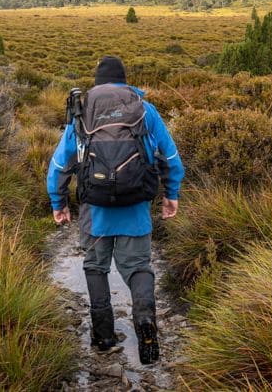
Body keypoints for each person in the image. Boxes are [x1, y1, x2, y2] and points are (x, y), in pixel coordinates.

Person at [46, 56, 184, 365]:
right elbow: (171, 158)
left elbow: (58, 165)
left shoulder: (83, 114)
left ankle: (104, 337)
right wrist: (170, 195)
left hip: (95, 212)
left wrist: (59, 203)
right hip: (135, 207)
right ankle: (146, 321)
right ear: (125, 81)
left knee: (96, 267)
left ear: (97, 83)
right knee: (138, 267)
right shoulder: (145, 110)